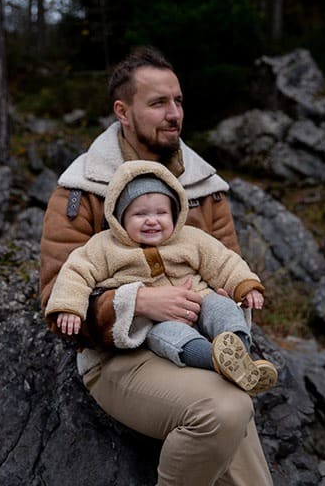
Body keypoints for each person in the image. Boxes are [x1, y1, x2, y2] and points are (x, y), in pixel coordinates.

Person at [40, 45, 274, 485]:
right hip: (117, 356)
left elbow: (228, 264)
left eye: (178, 101)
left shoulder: (205, 187)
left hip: (203, 338)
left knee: (236, 406)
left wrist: (229, 300)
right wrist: (141, 302)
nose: (174, 114)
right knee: (227, 408)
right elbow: (59, 300)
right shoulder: (80, 189)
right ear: (122, 112)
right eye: (158, 103)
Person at [45, 160, 278, 395]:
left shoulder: (191, 238)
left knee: (224, 308)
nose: (152, 220)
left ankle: (242, 354)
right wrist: (69, 307)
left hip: (201, 298)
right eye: (140, 214)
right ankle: (217, 362)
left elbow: (223, 261)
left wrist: (245, 286)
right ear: (119, 218)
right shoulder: (104, 246)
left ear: (175, 214)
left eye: (161, 212)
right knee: (173, 339)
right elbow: (75, 272)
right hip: (154, 321)